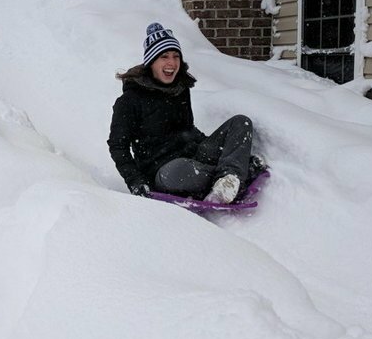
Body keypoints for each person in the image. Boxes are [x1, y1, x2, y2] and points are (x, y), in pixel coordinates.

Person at [107, 22, 263, 204]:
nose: (171, 63)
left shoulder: (179, 90)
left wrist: (211, 146)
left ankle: (229, 179)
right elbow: (118, 146)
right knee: (179, 172)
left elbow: (188, 129)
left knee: (240, 122)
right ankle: (236, 172)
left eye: (176, 56)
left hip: (194, 156)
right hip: (164, 171)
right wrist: (136, 182)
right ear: (151, 62)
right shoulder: (129, 101)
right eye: (164, 56)